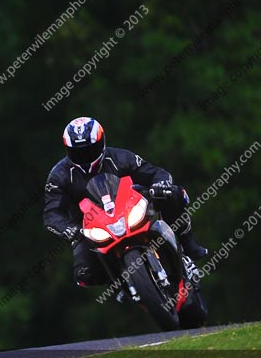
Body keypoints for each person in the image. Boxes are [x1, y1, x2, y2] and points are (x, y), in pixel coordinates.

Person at [43, 117, 209, 287]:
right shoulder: (59, 176)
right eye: (78, 152)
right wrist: (71, 230)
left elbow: (155, 173)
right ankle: (119, 284)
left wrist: (159, 185)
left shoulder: (119, 157)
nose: (85, 156)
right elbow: (52, 214)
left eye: (90, 150)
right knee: (84, 275)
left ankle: (187, 246)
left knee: (173, 194)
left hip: (130, 208)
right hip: (90, 228)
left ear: (102, 143)